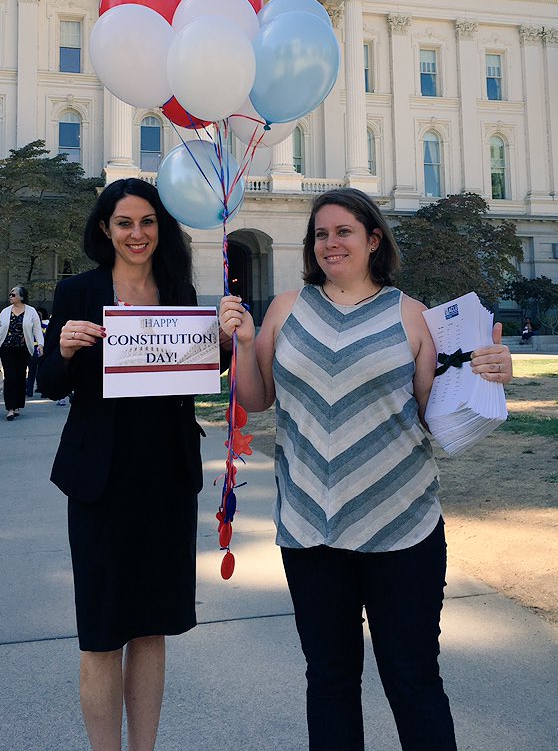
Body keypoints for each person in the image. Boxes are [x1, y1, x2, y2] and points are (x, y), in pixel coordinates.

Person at [219, 188, 512, 751]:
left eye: (343, 231)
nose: (330, 243)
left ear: (374, 239)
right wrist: (245, 344)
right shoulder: (285, 309)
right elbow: (256, 400)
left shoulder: (412, 315)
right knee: (329, 680)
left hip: (401, 527)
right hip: (309, 526)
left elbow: (432, 413)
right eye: (320, 234)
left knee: (413, 679)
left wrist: (488, 376)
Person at [37, 177, 219, 751]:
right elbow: (49, 383)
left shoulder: (180, 293)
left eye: (147, 222)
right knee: (101, 633)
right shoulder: (79, 292)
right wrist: (63, 348)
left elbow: (195, 375)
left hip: (166, 479)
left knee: (151, 628)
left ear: (161, 227)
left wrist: (225, 344)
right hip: (101, 481)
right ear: (105, 228)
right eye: (124, 223)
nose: (137, 234)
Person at [0, 286, 44, 421]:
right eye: (10, 294)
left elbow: (37, 329)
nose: (11, 297)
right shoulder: (6, 312)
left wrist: (41, 345)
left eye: (13, 294)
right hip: (7, 348)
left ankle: (17, 405)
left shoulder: (31, 312)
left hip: (23, 349)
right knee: (10, 377)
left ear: (21, 297)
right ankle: (10, 408)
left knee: (20, 376)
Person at [26, 306, 48, 398]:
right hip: (42, 351)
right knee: (42, 372)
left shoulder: (30, 328)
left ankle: (29, 391)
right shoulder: (46, 327)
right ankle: (44, 391)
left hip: (32, 351)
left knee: (31, 372)